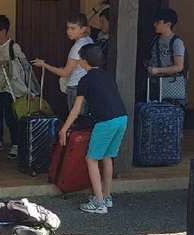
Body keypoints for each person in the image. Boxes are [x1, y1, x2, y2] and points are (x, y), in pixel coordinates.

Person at [59, 44, 127, 215]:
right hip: (122, 118)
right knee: (108, 157)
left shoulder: (85, 80)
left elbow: (76, 109)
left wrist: (64, 129)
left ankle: (99, 202)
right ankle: (106, 196)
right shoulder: (107, 75)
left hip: (105, 122)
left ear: (84, 61)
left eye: (80, 59)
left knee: (91, 159)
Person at [33, 12, 94, 114]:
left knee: (76, 119)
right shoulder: (89, 40)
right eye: (68, 28)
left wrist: (44, 65)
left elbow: (65, 73)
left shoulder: (77, 47)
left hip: (75, 88)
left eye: (73, 28)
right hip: (86, 86)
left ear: (83, 29)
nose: (69, 31)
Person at [0, 15, 28, 159]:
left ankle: (15, 143)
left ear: (3, 31)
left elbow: (24, 66)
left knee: (10, 116)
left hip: (10, 88)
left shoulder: (13, 47)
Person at [146, 8, 187, 106]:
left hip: (171, 84)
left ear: (168, 24)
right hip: (155, 83)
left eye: (158, 22)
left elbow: (179, 67)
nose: (154, 25)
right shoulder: (155, 40)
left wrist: (157, 70)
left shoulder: (176, 42)